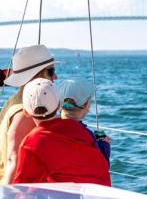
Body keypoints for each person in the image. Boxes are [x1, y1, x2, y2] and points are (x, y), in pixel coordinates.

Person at [13, 78, 111, 186]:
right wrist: (104, 145)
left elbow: (22, 188)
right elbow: (98, 168)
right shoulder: (83, 133)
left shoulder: (34, 140)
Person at [0, 44, 57, 184]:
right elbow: (14, 161)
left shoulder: (13, 101)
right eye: (50, 71)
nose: (55, 76)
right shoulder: (27, 114)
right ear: (35, 75)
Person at [59, 78, 111, 165]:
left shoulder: (50, 128)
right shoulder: (86, 136)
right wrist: (104, 145)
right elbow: (102, 167)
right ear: (86, 105)